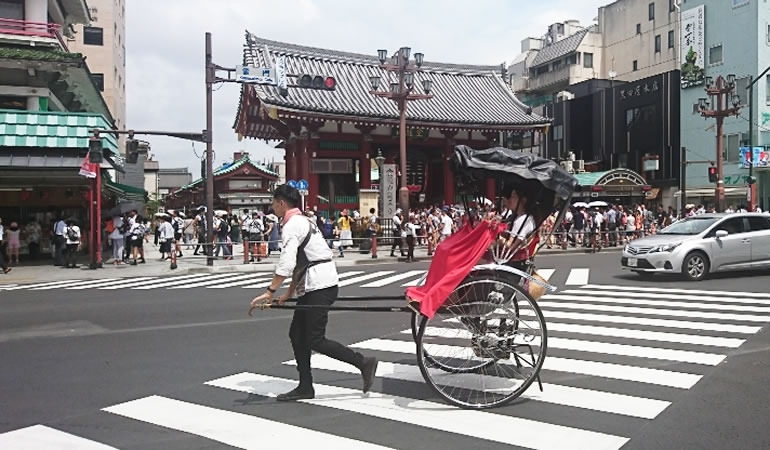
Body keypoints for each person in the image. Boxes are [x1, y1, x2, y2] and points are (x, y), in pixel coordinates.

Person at [249, 184, 378, 401]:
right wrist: (289, 292)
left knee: (315, 338)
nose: (272, 207)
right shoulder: (304, 220)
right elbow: (302, 261)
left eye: (273, 203)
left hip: (319, 284)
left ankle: (363, 362)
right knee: (297, 335)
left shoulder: (292, 225)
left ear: (282, 203)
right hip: (317, 282)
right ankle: (305, 386)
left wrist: (270, 291)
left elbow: (288, 262)